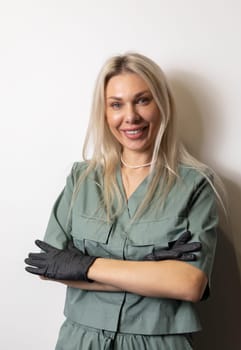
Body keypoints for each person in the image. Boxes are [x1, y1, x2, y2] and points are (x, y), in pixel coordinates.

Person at [25, 52, 223, 350]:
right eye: (116, 104)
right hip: (81, 341)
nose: (130, 116)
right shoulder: (81, 180)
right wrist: (152, 271)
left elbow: (189, 284)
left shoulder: (196, 185)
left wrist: (84, 265)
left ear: (162, 105)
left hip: (160, 342)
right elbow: (50, 266)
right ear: (104, 113)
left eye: (143, 100)